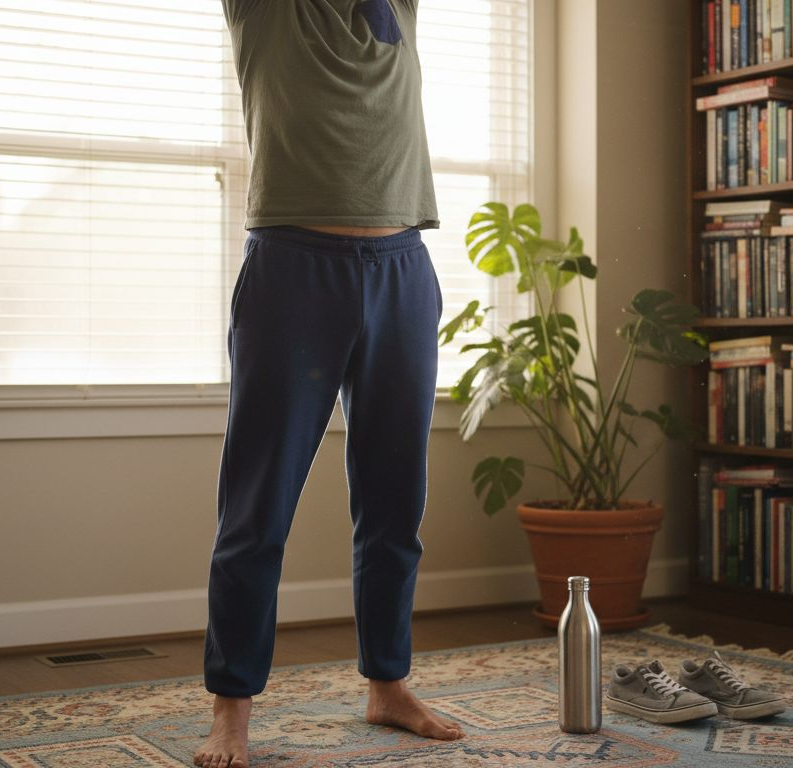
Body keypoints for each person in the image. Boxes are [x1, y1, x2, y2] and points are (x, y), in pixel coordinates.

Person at [196, 1, 463, 766]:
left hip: (403, 270)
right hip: (293, 270)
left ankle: (388, 685)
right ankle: (232, 708)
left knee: (394, 502)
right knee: (258, 507)